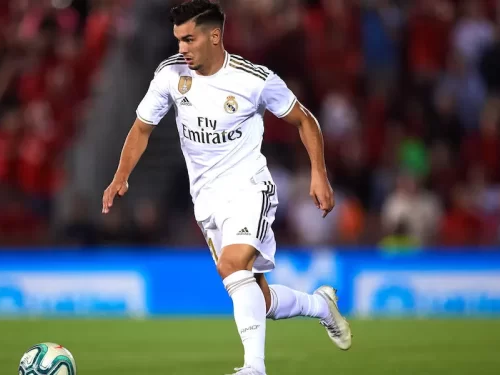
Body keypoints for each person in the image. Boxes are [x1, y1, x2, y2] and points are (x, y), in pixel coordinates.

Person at [101, 1, 351, 373]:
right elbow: (142, 128)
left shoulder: (254, 79)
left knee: (232, 266)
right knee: (258, 299)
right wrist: (120, 176)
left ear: (215, 36)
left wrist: (319, 173)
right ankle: (320, 306)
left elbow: (305, 120)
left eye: (189, 39)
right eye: (178, 40)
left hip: (249, 188)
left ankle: (254, 368)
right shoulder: (171, 75)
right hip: (206, 200)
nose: (181, 48)